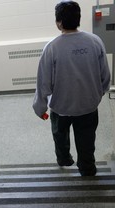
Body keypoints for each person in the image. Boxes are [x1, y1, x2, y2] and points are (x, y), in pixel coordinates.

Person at [32, 1, 110, 176]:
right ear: (79, 19)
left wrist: (40, 108)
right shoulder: (95, 41)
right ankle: (87, 168)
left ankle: (64, 159)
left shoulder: (51, 48)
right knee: (87, 139)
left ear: (58, 22)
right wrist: (99, 93)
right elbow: (105, 75)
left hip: (61, 107)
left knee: (60, 136)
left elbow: (43, 83)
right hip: (88, 106)